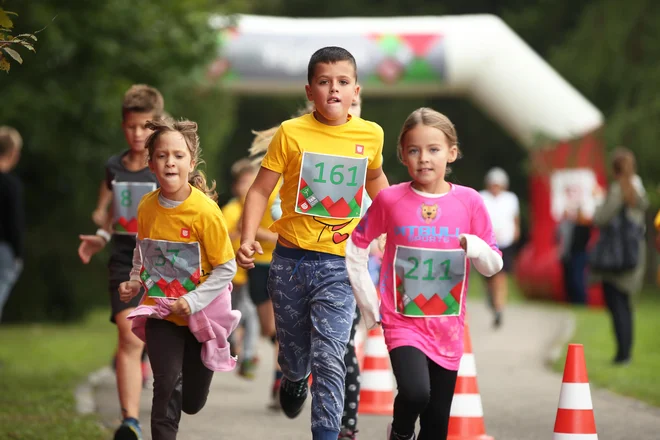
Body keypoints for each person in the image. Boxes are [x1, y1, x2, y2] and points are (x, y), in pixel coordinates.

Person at [237, 46, 389, 440]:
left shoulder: (370, 134)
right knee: (294, 356)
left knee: (331, 357)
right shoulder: (292, 133)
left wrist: (390, 225)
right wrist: (249, 237)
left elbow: (376, 180)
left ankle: (326, 433)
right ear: (310, 91)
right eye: (324, 82)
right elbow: (258, 192)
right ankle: (291, 377)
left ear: (356, 90)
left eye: (342, 83)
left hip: (341, 264)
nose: (333, 90)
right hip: (290, 262)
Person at [346, 108, 503, 440]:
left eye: (434, 149)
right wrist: (369, 303)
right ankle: (401, 432)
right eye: (414, 150)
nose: (424, 158)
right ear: (403, 155)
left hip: (448, 327)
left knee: (436, 427)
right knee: (416, 393)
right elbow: (356, 246)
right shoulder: (390, 199)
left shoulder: (470, 202)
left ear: (452, 153)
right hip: (402, 321)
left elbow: (493, 265)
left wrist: (475, 246)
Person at [119, 118, 240, 440]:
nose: (170, 161)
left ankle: (198, 369)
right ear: (151, 163)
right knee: (166, 384)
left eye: (178, 155)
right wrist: (134, 279)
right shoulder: (146, 207)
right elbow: (142, 250)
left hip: (202, 316)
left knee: (191, 402)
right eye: (161, 155)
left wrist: (192, 300)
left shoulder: (205, 212)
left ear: (191, 162)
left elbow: (226, 268)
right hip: (161, 311)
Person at [77, 84, 164, 440]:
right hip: (126, 261)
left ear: (156, 126)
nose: (138, 134)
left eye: (145, 127)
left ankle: (169, 407)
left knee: (161, 343)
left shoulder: (166, 163)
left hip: (166, 262)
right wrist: (99, 233)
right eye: (131, 126)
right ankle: (129, 421)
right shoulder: (114, 167)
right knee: (129, 339)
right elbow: (108, 215)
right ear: (123, 125)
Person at [592, 147, 647, 366]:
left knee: (616, 305)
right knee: (626, 305)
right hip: (634, 256)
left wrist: (598, 200)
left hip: (615, 258)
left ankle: (622, 354)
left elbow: (600, 218)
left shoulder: (617, 190)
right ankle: (626, 353)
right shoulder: (638, 189)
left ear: (614, 169)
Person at [223, 158, 261, 380]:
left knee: (250, 312)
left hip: (251, 272)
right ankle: (230, 345)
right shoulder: (230, 210)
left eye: (252, 182)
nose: (247, 187)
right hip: (230, 273)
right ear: (235, 186)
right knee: (230, 314)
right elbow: (221, 238)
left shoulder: (261, 209)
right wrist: (238, 232)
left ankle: (247, 355)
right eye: (243, 182)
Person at [479, 167, 520, 327]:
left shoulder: (510, 198)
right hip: (487, 242)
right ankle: (492, 300)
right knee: (489, 277)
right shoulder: (482, 197)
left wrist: (516, 231)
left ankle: (499, 307)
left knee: (501, 276)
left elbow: (514, 218)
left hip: (505, 242)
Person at [0, 126, 24, 322]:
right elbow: (13, 223)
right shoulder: (10, 184)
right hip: (4, 250)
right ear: (13, 153)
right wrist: (18, 254)